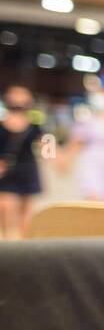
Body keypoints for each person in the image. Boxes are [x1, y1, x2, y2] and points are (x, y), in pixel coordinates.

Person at [0, 86, 45, 239]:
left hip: (28, 170)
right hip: (7, 172)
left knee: (26, 215)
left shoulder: (34, 125)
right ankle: (7, 248)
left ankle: (24, 248)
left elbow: (47, 145)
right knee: (6, 211)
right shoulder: (2, 125)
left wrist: (56, 158)